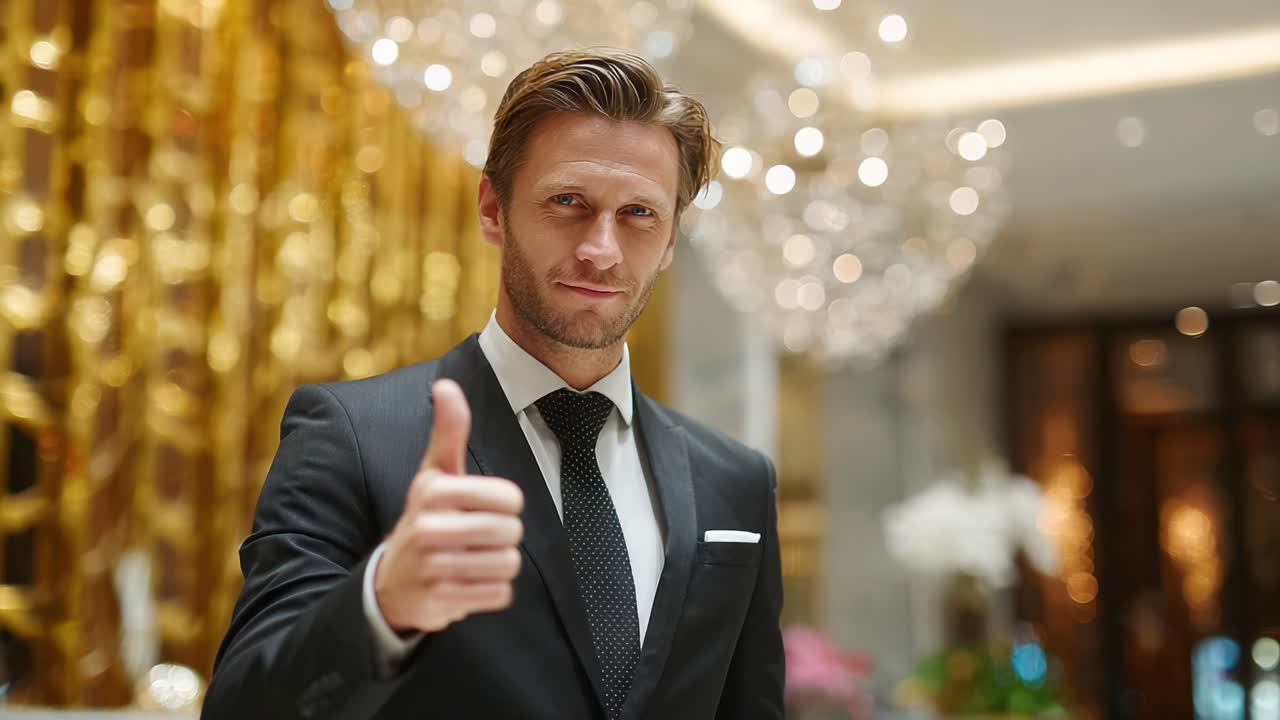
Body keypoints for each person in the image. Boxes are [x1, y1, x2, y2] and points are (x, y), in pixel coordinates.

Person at [203, 47, 784, 720]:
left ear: (673, 237)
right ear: (492, 208)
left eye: (639, 214)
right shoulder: (352, 437)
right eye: (568, 201)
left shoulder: (735, 480)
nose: (602, 249)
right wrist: (383, 604)